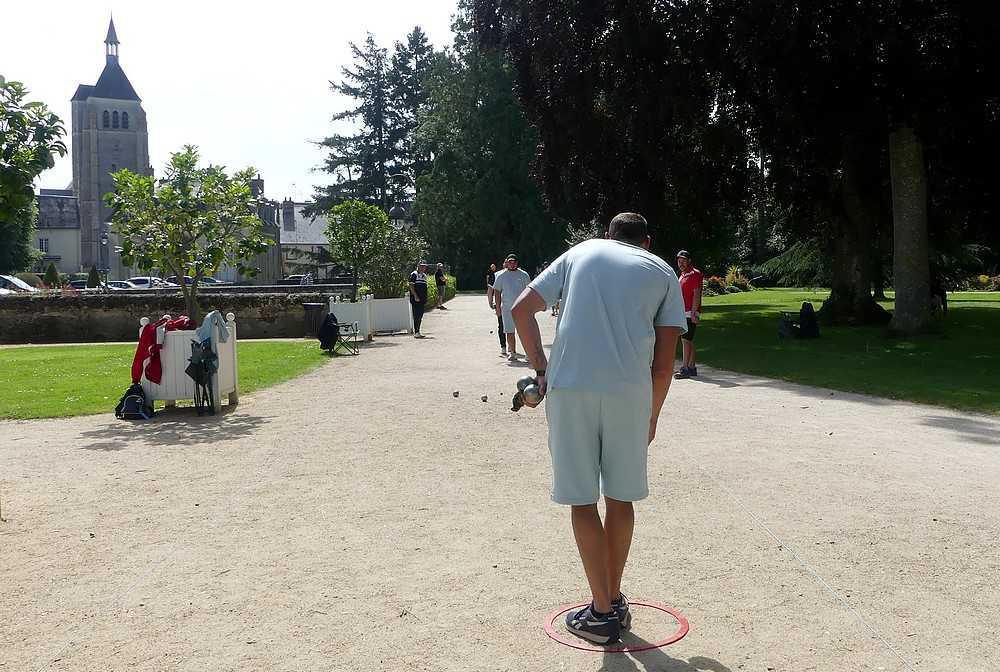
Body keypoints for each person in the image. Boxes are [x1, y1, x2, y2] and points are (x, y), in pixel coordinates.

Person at [511, 212, 686, 645]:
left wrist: (540, 368)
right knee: (620, 498)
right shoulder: (662, 270)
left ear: (609, 235)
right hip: (631, 395)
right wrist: (653, 414)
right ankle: (613, 598)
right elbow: (666, 364)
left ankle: (601, 610)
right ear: (645, 240)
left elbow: (521, 310)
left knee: (582, 501)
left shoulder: (581, 252)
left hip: (571, 389)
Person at [490, 254, 531, 361]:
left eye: (514, 262)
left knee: (524, 331)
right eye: (510, 262)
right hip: (507, 308)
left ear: (517, 263)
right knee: (509, 331)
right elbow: (497, 292)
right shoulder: (501, 276)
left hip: (521, 308)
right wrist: (497, 307)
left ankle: (528, 353)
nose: (512, 264)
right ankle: (512, 352)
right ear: (507, 263)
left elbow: (529, 291)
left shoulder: (524, 275)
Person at [674, 250, 703, 379]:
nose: (681, 263)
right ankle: (691, 367)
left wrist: (693, 313)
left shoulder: (694, 274)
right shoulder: (682, 275)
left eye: (684, 260)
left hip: (689, 312)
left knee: (685, 340)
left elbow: (696, 294)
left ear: (689, 261)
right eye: (679, 261)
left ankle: (685, 368)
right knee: (688, 340)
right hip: (683, 312)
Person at [486, 263, 507, 356]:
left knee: (513, 327)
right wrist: (490, 302)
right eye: (506, 263)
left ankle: (511, 346)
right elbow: (490, 289)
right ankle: (503, 346)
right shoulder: (497, 275)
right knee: (501, 325)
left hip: (513, 305)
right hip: (501, 305)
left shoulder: (518, 275)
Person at [408, 261, 429, 339]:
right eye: (422, 266)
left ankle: (418, 331)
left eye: (424, 266)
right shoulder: (414, 274)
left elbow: (425, 288)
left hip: (422, 299)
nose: (424, 268)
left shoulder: (424, 276)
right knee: (416, 315)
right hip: (416, 299)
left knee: (420, 315)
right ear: (419, 266)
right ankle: (416, 332)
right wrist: (415, 296)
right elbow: (411, 286)